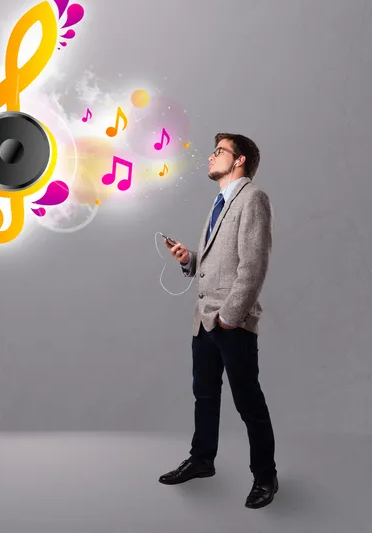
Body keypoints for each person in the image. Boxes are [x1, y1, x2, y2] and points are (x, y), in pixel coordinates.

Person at [158, 133, 278, 509]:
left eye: (219, 152)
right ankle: (202, 460)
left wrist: (230, 316)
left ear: (239, 160)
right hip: (203, 320)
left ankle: (265, 477)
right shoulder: (219, 202)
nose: (211, 157)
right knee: (204, 397)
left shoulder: (252, 198)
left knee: (248, 403)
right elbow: (217, 263)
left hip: (231, 323)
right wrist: (188, 259)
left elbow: (253, 266)